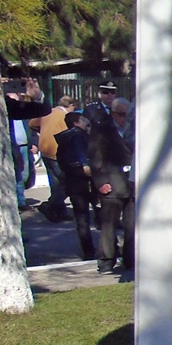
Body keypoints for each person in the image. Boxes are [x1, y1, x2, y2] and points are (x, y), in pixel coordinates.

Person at [89, 115, 134, 274]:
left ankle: (131, 259)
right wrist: (100, 182)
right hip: (112, 184)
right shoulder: (102, 129)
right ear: (114, 113)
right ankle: (106, 260)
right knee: (109, 225)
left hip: (132, 184)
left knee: (132, 225)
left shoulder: (133, 128)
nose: (124, 117)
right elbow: (95, 159)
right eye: (121, 114)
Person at [54, 111, 96, 261]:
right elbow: (82, 153)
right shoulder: (79, 135)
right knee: (101, 214)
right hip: (88, 180)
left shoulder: (63, 139)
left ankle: (88, 250)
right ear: (76, 123)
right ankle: (110, 248)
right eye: (83, 120)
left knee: (81, 219)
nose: (86, 122)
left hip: (73, 181)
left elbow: (60, 160)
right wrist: (85, 165)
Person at [36, 96, 77, 222]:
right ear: (71, 106)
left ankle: (60, 212)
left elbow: (33, 123)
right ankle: (50, 205)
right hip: (57, 152)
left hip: (44, 150)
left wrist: (43, 131)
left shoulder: (48, 112)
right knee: (67, 183)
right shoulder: (65, 116)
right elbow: (70, 134)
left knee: (55, 184)